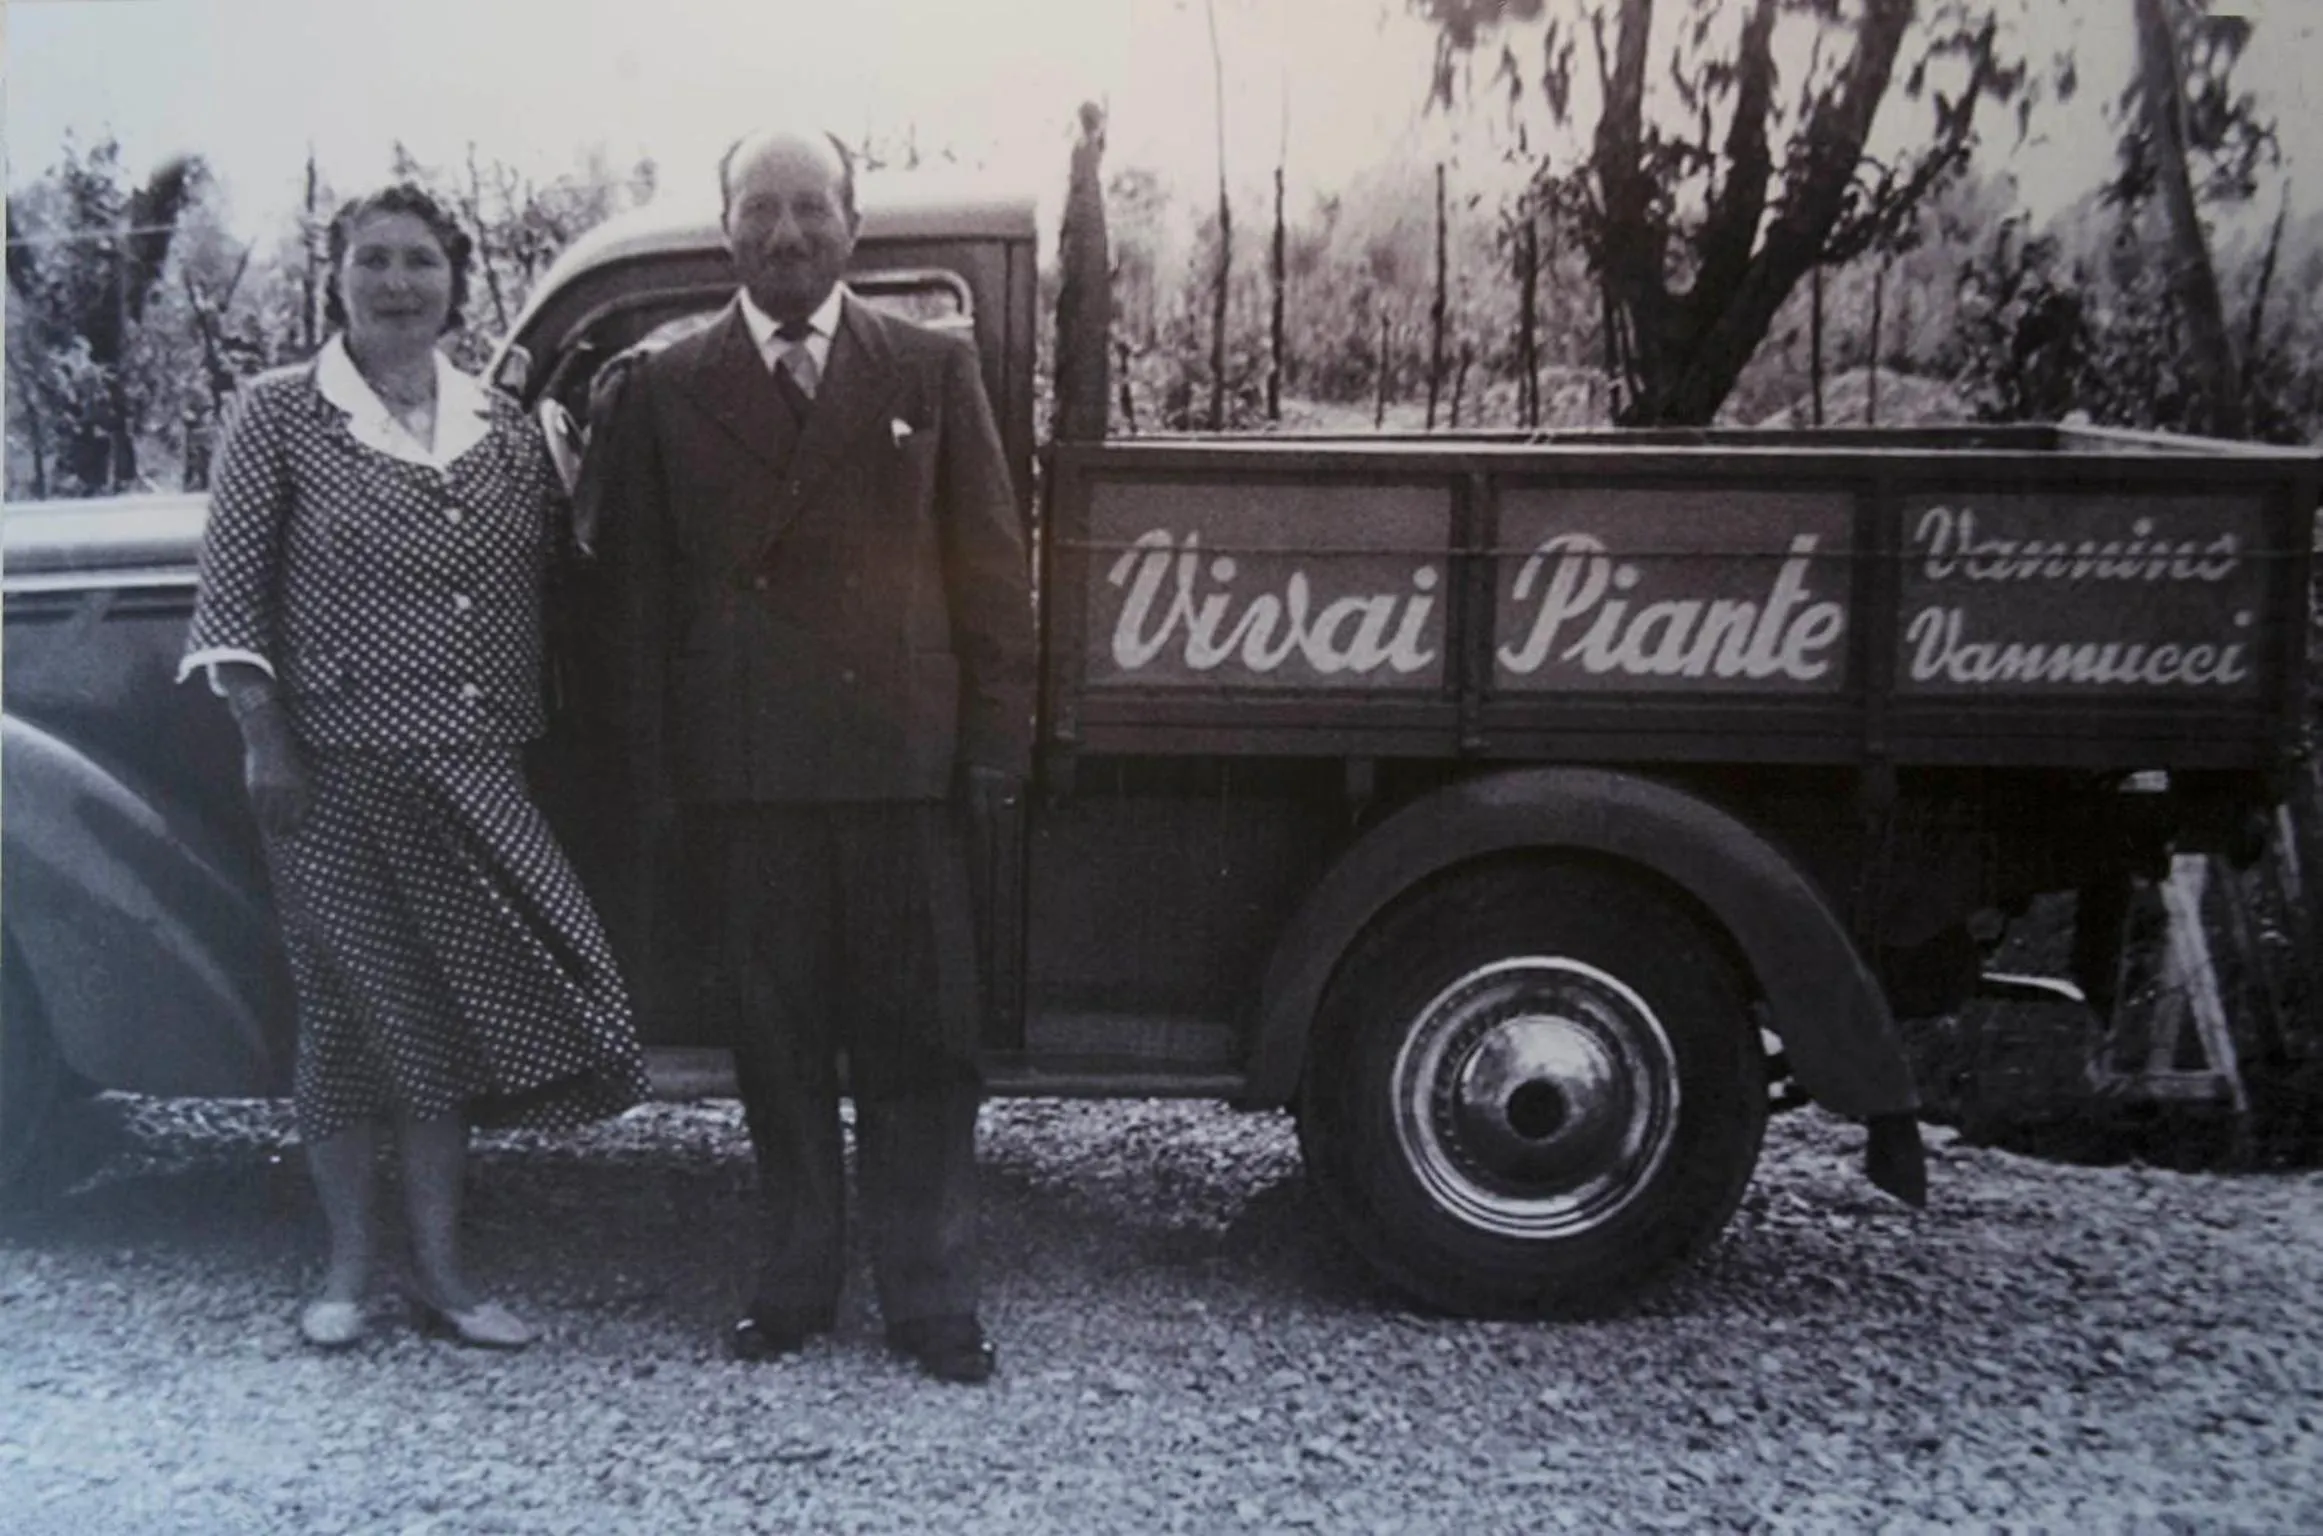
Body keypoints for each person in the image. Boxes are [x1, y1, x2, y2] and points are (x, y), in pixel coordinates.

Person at [588, 128, 1034, 1384]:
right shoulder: (666, 385)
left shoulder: (930, 367)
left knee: (924, 1046)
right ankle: (794, 1286)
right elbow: (635, 603)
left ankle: (929, 1297)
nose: (785, 233)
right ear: (725, 226)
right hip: (750, 779)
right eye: (761, 209)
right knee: (776, 1049)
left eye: (809, 208)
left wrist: (994, 749)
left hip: (903, 771)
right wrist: (661, 781)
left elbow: (990, 568)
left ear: (853, 226)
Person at [179, 184, 649, 1352]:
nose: (397, 284)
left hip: (478, 768)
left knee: (452, 1015)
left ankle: (441, 1276)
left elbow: (569, 576)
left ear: (456, 282)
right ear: (336, 279)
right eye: (373, 261)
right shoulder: (279, 413)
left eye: (421, 262)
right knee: (349, 1019)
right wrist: (265, 742)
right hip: (328, 775)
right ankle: (348, 1271)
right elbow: (230, 601)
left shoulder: (504, 424)